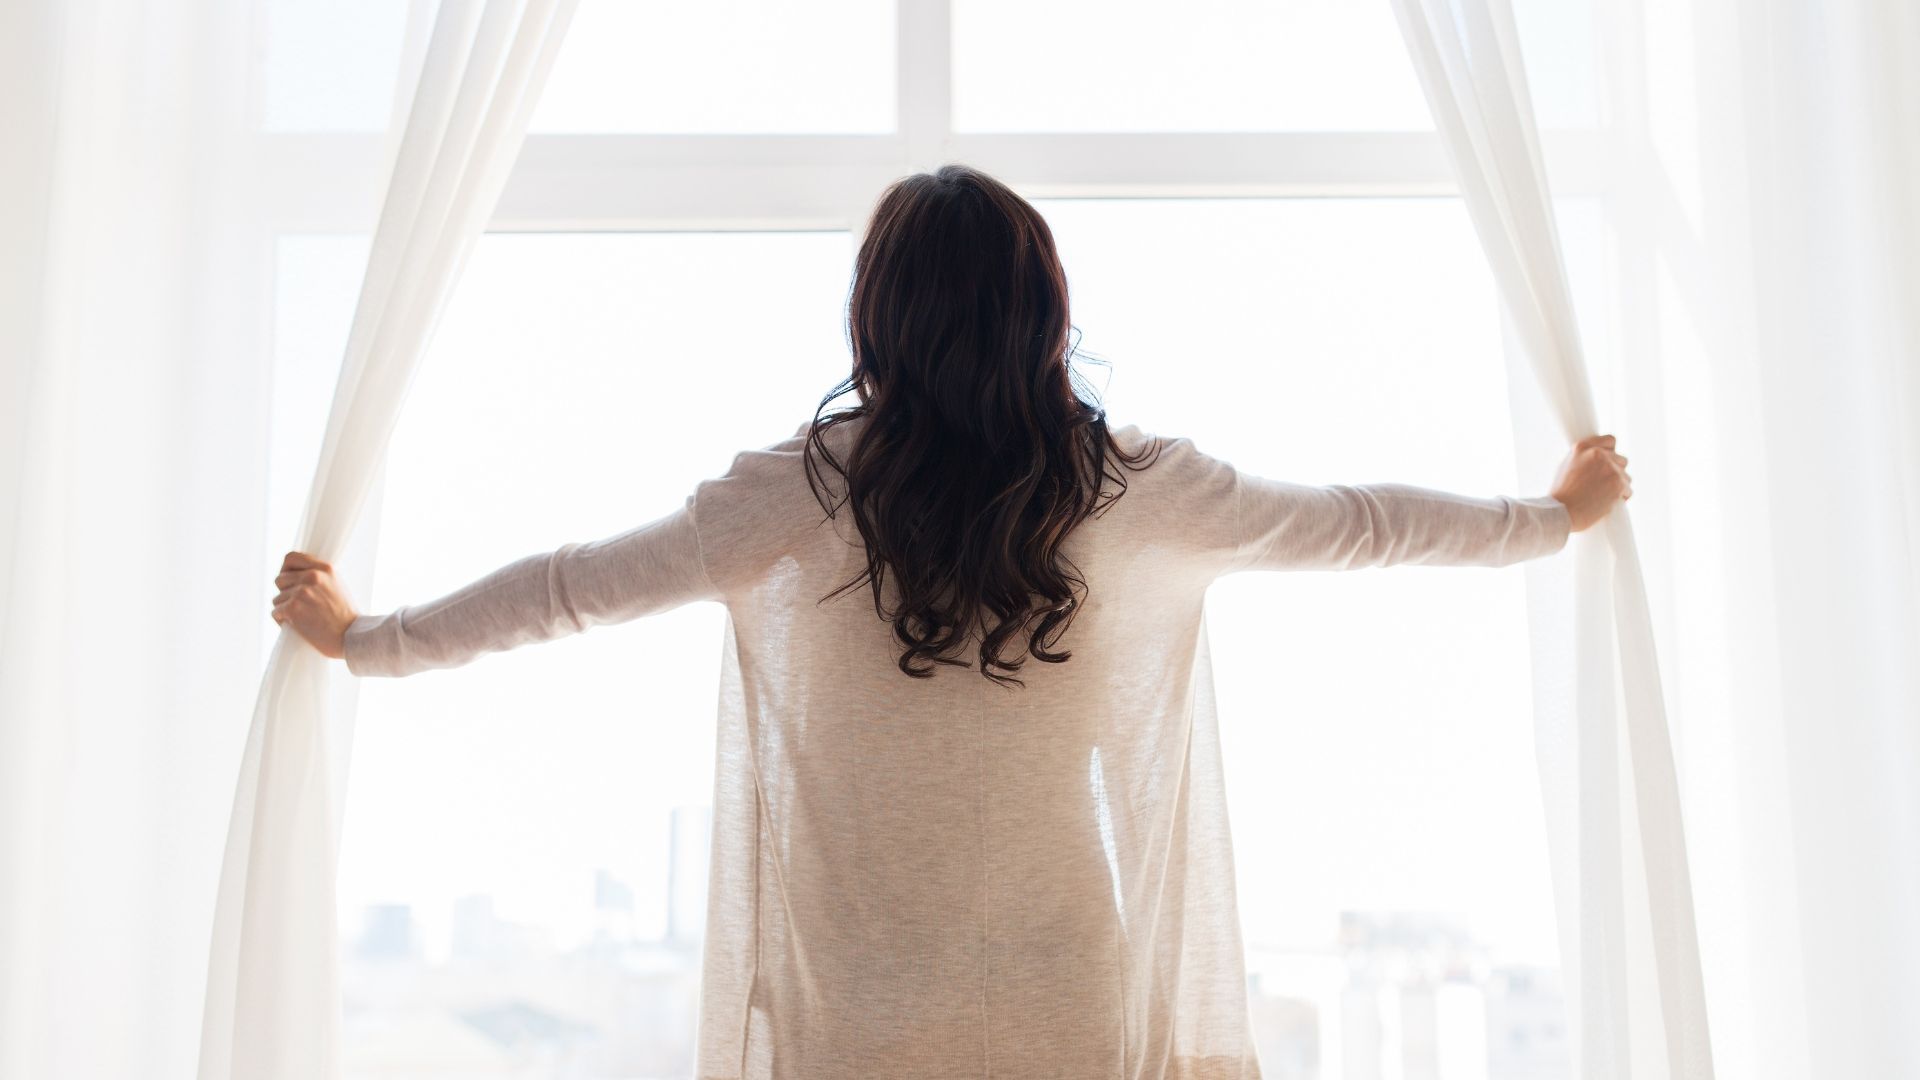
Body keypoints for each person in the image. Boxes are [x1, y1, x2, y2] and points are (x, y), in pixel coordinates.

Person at [272, 164, 1629, 1079]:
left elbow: (567, 590)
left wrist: (366, 637)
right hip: (1071, 975)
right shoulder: (1143, 492)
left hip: (858, 994)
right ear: (1048, 312)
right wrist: (1553, 515)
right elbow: (1366, 523)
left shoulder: (790, 500)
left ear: (877, 317)